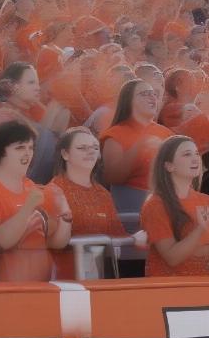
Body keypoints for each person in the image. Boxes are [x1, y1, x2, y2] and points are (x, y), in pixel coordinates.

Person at [0, 121, 72, 282]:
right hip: (1, 293)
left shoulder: (33, 188)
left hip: (41, 288)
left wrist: (65, 214)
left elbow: (56, 243)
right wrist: (28, 207)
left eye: (31, 148)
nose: (28, 154)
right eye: (20, 148)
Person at [51, 127, 126, 279]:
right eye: (82, 148)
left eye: (95, 148)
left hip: (98, 275)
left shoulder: (103, 194)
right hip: (63, 279)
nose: (90, 152)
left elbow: (118, 235)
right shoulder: (54, 191)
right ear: (65, 154)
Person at [100, 79, 172, 215]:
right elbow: (113, 177)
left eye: (153, 93)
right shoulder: (115, 134)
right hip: (132, 204)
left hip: (165, 202)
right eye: (144, 94)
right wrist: (140, 145)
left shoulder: (166, 133)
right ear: (129, 101)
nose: (152, 97)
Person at [141, 135, 209, 276]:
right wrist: (200, 229)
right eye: (187, 154)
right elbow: (172, 258)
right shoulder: (155, 205)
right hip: (170, 290)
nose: (195, 158)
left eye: (196, 153)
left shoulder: (205, 200)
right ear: (169, 165)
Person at [0, 62, 68, 183]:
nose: (37, 88)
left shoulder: (27, 112)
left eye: (38, 83)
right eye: (31, 82)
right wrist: (54, 108)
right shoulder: (3, 117)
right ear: (12, 86)